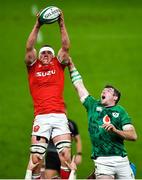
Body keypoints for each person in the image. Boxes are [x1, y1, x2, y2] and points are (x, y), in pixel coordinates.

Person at [67, 57, 137, 179]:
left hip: (121, 160)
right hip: (102, 161)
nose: (103, 91)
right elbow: (79, 86)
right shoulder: (93, 105)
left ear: (115, 98)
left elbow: (133, 136)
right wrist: (71, 65)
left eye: (108, 91)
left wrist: (115, 130)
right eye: (103, 90)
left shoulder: (120, 111)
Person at [24, 10, 72, 179]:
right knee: (36, 159)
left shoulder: (58, 65)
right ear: (38, 55)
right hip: (41, 117)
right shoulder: (33, 66)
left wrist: (61, 24)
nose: (45, 55)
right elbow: (29, 47)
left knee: (66, 156)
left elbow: (66, 47)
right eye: (43, 52)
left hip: (59, 116)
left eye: (48, 53)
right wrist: (38, 25)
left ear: (53, 56)